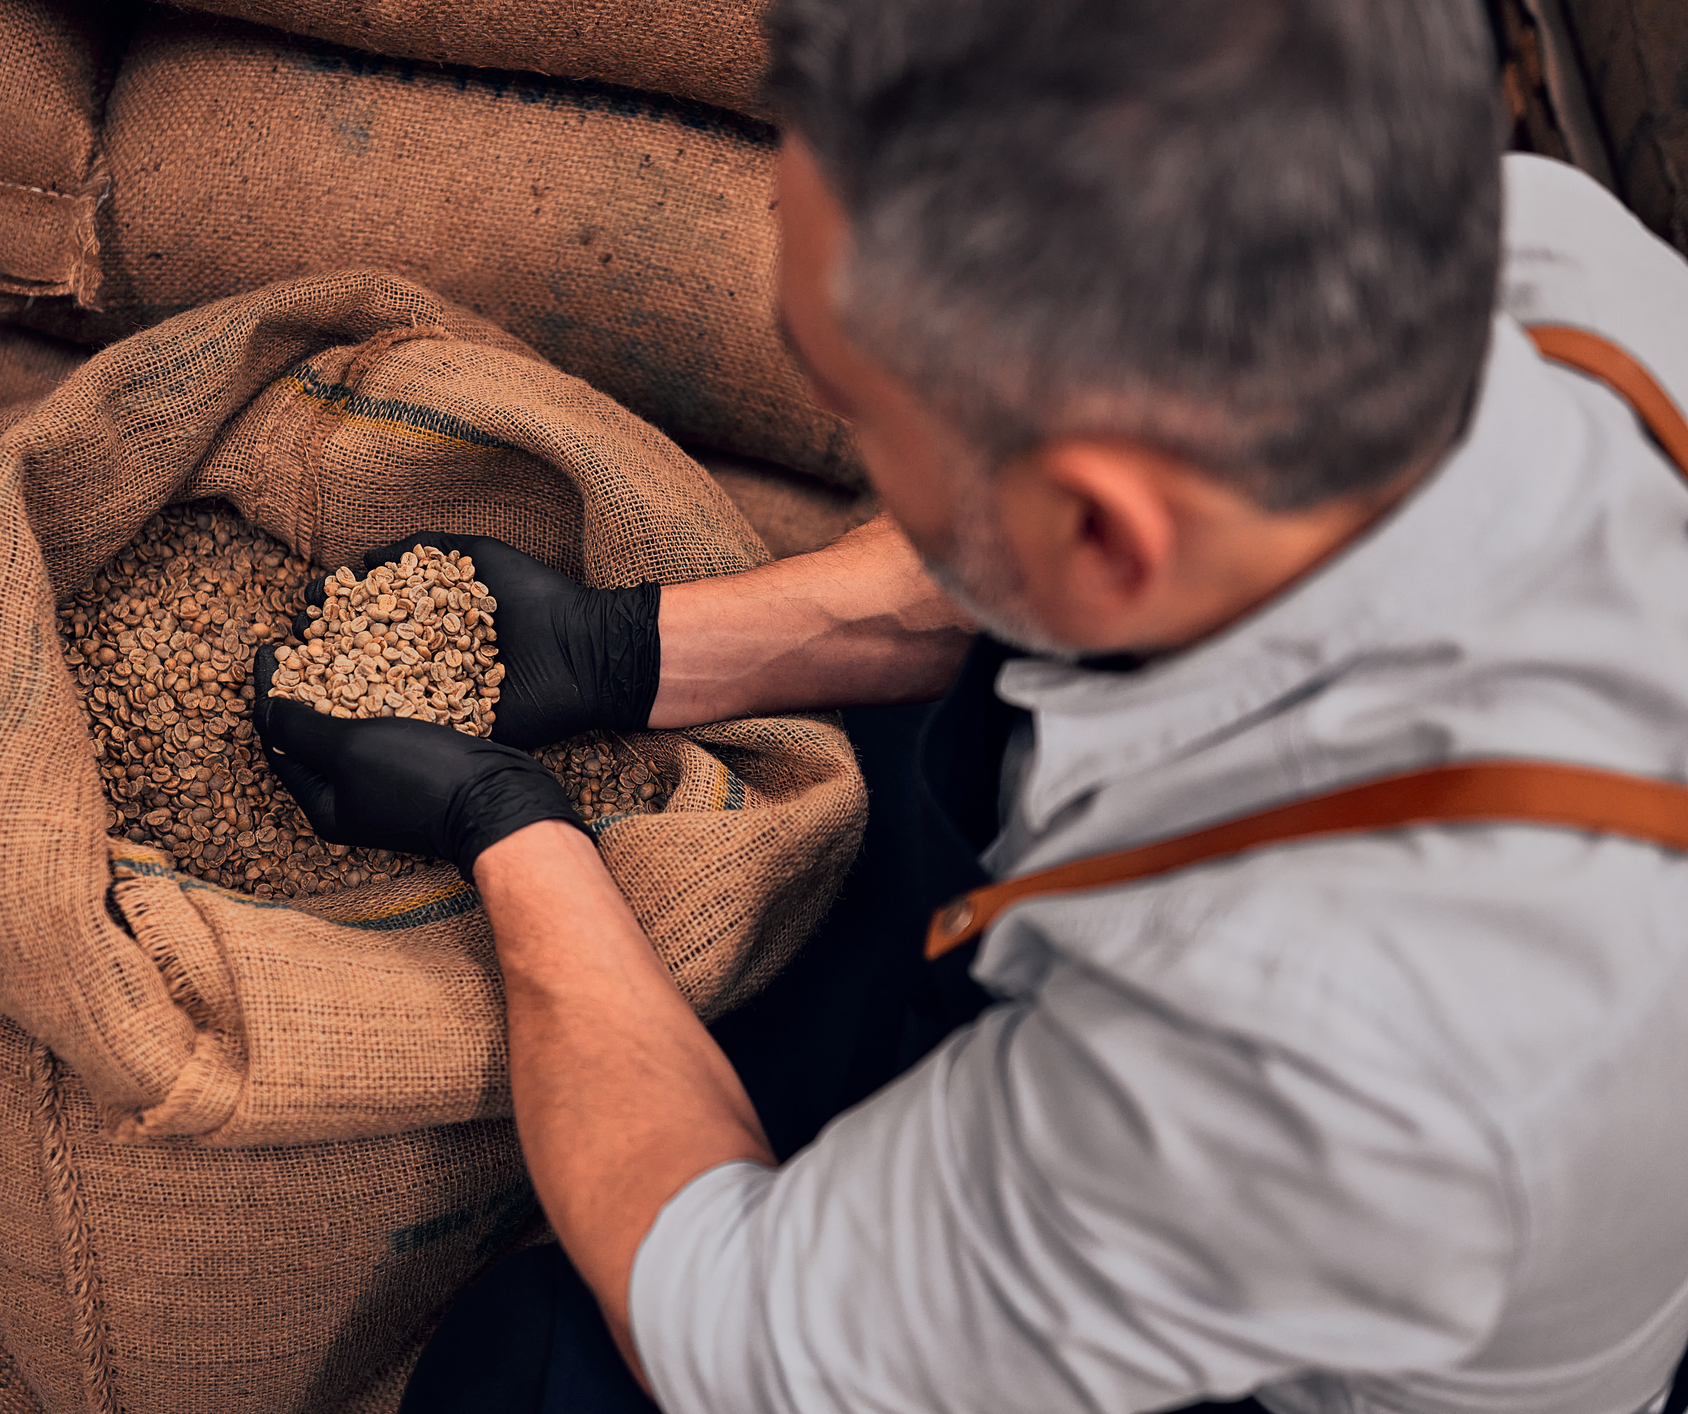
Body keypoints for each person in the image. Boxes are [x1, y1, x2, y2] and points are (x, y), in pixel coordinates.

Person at [251, 0, 1688, 1410]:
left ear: (1107, 537)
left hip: (1297, 1312)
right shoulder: (1549, 267)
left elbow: (725, 1326)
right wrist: (644, 652)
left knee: (530, 1366)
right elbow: (1039, 548)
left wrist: (516, 831)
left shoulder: (1302, 1064)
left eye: (864, 414)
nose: (862, 457)